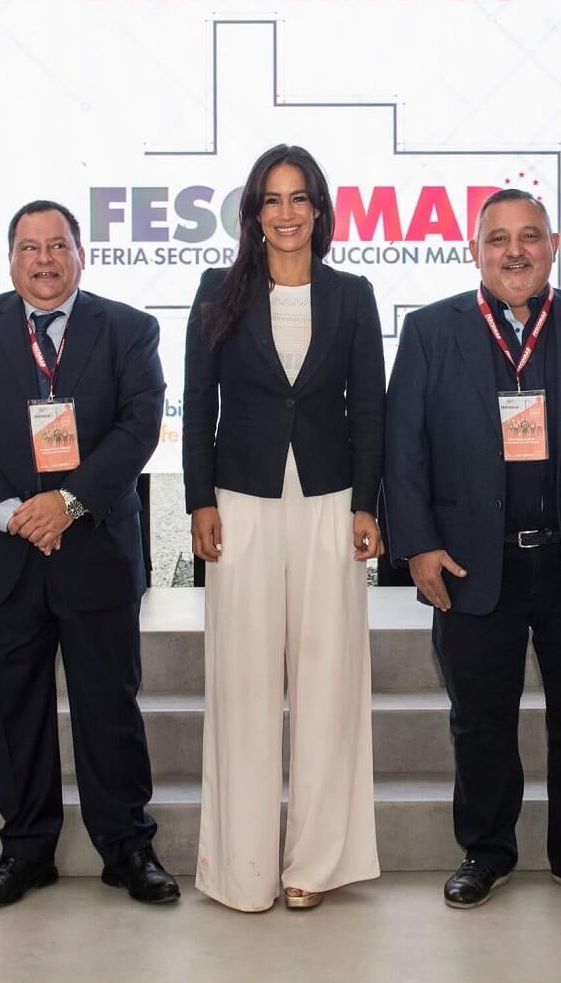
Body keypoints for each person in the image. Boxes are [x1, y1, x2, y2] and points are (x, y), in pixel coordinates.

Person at [384, 188, 561, 911]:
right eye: (498, 238)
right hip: (472, 565)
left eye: (529, 236)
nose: (515, 250)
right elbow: (403, 453)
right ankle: (485, 851)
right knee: (479, 720)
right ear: (472, 251)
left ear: (553, 244)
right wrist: (417, 548)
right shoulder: (430, 330)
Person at [0, 199, 178, 908]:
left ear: (80, 254)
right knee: (14, 712)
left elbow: (139, 424)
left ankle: (127, 847)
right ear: (10, 258)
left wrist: (64, 502)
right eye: (29, 247)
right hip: (2, 555)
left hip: (92, 549)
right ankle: (26, 851)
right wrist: (13, 514)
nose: (44, 259)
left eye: (58, 245)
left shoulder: (128, 328)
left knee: (109, 709)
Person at [184, 144, 384, 912]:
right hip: (241, 501)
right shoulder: (217, 290)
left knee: (329, 681)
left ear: (321, 210)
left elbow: (370, 405)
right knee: (241, 683)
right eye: (271, 199)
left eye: (299, 198)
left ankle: (315, 864)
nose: (286, 213)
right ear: (252, 214)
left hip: (330, 502)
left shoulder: (352, 295)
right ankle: (239, 870)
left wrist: (368, 502)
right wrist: (198, 499)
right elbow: (199, 403)